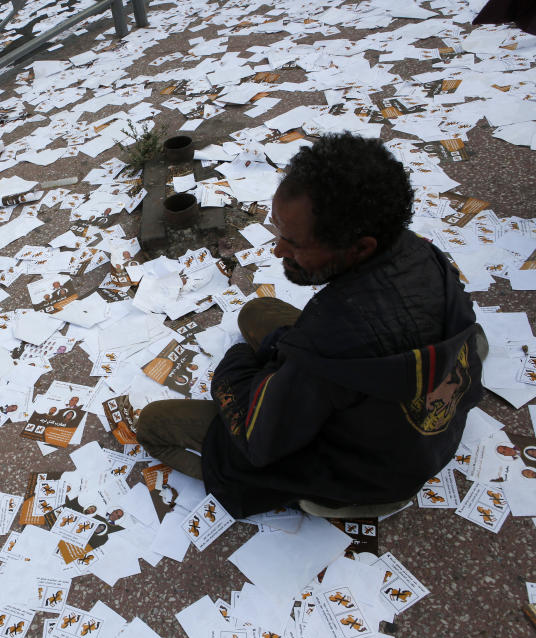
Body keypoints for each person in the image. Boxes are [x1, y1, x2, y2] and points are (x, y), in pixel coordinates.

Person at [136, 132, 484, 519]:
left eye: (294, 242)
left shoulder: (329, 340)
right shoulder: (423, 254)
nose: (277, 250)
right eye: (279, 232)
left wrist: (236, 363)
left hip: (372, 478)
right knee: (256, 311)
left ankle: (301, 498)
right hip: (419, 425)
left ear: (360, 247)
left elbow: (260, 440)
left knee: (153, 425)